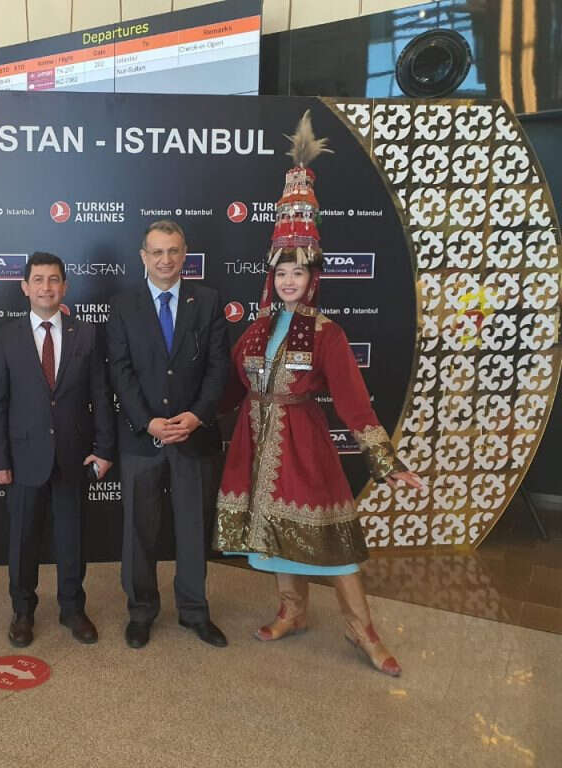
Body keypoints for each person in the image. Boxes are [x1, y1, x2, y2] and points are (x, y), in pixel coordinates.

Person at [213, 112, 423, 677]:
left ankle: (363, 631)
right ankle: (292, 610)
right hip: (254, 444)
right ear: (271, 276)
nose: (289, 282)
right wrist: (190, 414)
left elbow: (354, 403)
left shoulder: (327, 334)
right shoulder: (255, 331)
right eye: (281, 273)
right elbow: (230, 389)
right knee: (275, 538)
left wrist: (387, 463)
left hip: (304, 446)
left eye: (298, 275)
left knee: (335, 547)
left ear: (312, 279)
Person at [106, 220, 230, 649]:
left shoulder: (208, 301)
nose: (165, 259)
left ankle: (194, 611)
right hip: (142, 439)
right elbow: (119, 370)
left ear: (184, 254)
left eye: (173, 251)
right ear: (144, 256)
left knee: (193, 529)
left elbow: (218, 367)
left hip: (193, 436)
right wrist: (147, 421)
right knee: (139, 530)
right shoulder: (123, 305)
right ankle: (141, 611)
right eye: (157, 252)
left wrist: (196, 416)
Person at [0, 252, 116, 647]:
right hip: (23, 458)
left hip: (74, 455)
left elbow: (101, 395)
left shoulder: (86, 334)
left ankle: (72, 608)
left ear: (65, 287)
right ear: (25, 287)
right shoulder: (6, 337)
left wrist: (105, 449)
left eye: (54, 279)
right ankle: (23, 611)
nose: (46, 287)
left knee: (72, 538)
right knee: (23, 540)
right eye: (38, 280)